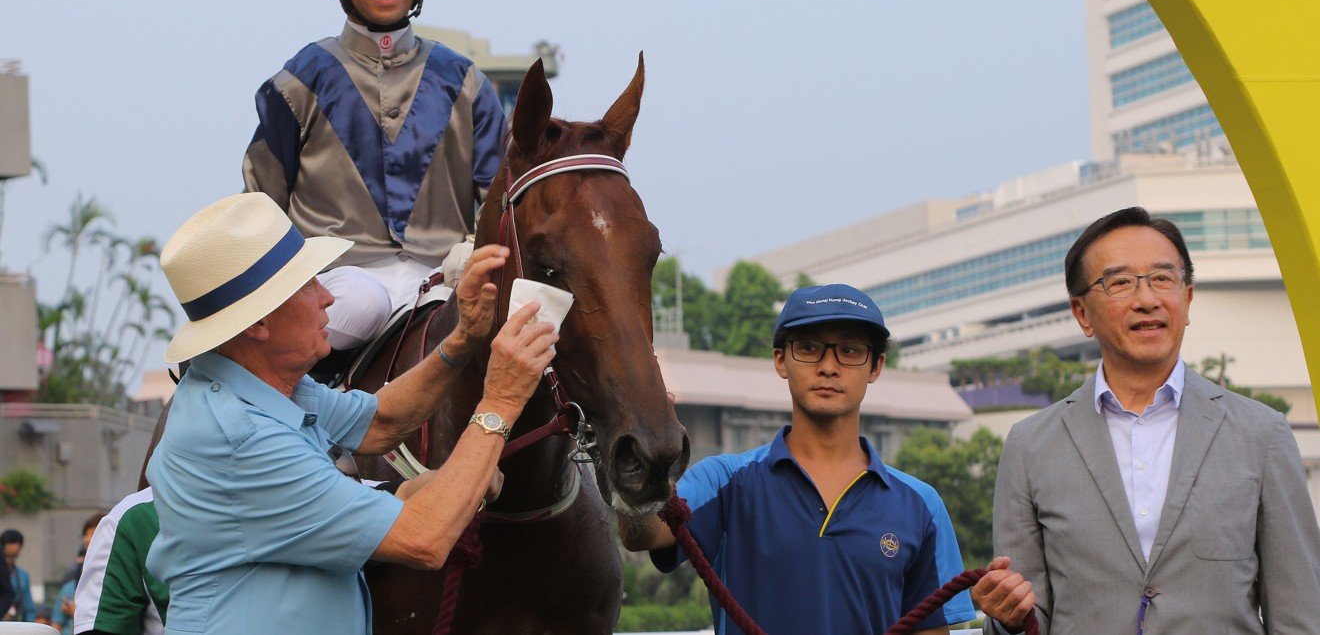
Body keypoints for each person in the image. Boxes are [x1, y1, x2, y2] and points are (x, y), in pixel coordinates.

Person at [144, 193, 556, 634]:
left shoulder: (258, 385)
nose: (326, 298)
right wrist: (501, 401)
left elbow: (379, 422)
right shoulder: (240, 435)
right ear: (258, 324)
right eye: (307, 285)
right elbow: (425, 538)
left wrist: (461, 341)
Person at [978, 206, 1320, 634]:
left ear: (1187, 298)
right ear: (1082, 313)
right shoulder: (1030, 445)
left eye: (1163, 278)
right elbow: (1028, 616)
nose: (1147, 299)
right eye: (1119, 282)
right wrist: (1007, 619)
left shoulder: (1262, 433)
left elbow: (1301, 613)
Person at [619, 283, 1013, 634]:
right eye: (808, 348)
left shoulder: (921, 504)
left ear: (875, 366)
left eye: (849, 350)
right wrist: (638, 449)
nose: (828, 366)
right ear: (780, 360)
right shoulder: (724, 479)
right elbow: (642, 535)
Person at [242, 0, 506, 357]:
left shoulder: (467, 83)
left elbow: (500, 204)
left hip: (442, 282)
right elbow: (260, 210)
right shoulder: (296, 83)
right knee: (363, 302)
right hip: (338, 286)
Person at [74, 487, 167, 635]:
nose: (88, 539)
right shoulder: (130, 517)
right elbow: (103, 623)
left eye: (92, 534)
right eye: (87, 534)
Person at [2, 528, 35, 621]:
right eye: (7, 556)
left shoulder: (22, 576)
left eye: (14, 556)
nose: (9, 560)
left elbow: (29, 608)